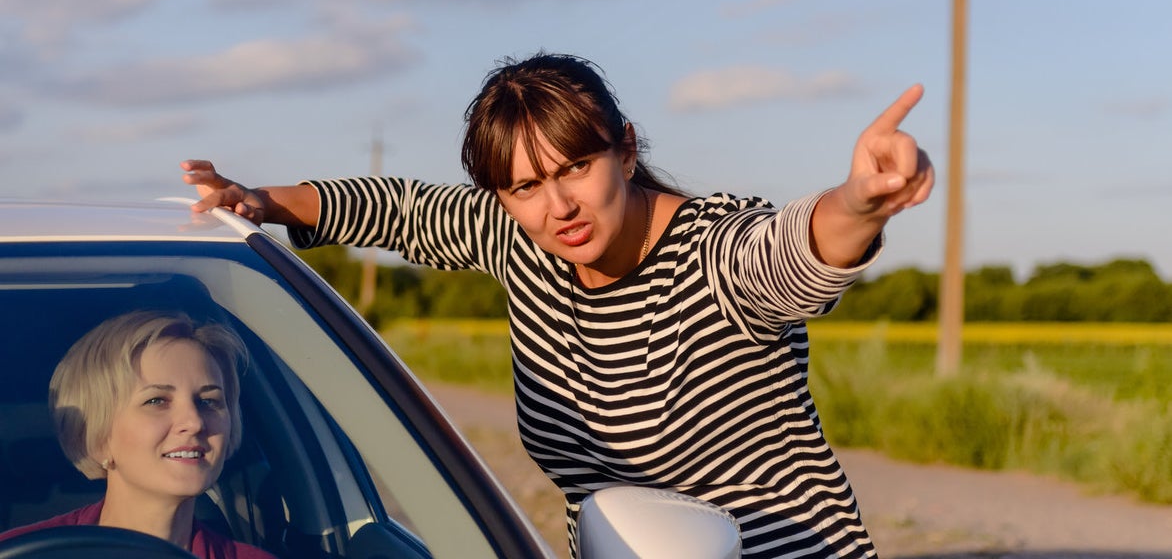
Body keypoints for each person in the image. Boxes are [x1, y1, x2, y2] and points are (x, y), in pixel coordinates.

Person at [180, 52, 934, 558]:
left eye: (577, 166)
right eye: (525, 186)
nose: (558, 206)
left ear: (627, 150)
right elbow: (395, 209)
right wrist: (261, 200)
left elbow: (788, 253)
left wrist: (861, 205)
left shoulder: (711, 254)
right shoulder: (519, 237)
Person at [0, 310, 276, 559]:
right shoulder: (20, 553)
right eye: (157, 401)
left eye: (209, 401)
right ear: (96, 437)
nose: (194, 421)